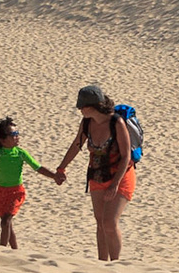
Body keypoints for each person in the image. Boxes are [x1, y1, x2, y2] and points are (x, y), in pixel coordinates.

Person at [55, 84, 135, 261]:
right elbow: (76, 145)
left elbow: (126, 156)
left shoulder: (116, 123)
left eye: (82, 106)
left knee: (109, 222)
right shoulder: (86, 123)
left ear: (92, 106)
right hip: (97, 175)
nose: (80, 109)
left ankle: (115, 264)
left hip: (121, 177)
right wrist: (61, 168)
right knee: (100, 223)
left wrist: (114, 185)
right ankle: (102, 264)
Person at [0, 116, 64, 249]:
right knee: (7, 223)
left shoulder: (21, 153)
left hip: (16, 192)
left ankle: (1, 251)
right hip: (0, 191)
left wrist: (54, 176)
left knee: (6, 221)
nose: (17, 137)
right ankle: (14, 250)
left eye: (17, 134)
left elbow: (38, 167)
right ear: (3, 140)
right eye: (13, 134)